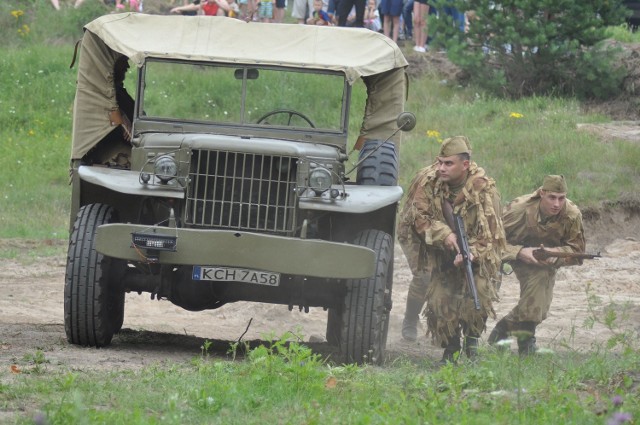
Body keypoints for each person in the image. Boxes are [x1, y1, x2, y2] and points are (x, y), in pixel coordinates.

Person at [398, 136, 505, 364]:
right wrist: (445, 235)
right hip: (434, 246)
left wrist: (471, 253)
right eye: (440, 162)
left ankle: (472, 337)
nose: (442, 168)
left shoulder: (484, 191)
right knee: (436, 297)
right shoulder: (429, 183)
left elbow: (492, 236)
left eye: (449, 164)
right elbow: (419, 219)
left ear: (465, 165)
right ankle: (451, 346)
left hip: (475, 252)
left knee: (480, 291)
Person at [489, 175, 586, 355]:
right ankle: (526, 344)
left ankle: (503, 330)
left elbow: (577, 250)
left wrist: (556, 255)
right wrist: (519, 252)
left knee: (539, 299)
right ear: (542, 193)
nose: (557, 204)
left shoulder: (572, 215)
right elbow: (490, 241)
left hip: (544, 259)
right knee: (537, 292)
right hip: (511, 252)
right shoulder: (518, 210)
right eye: (552, 197)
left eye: (561, 198)